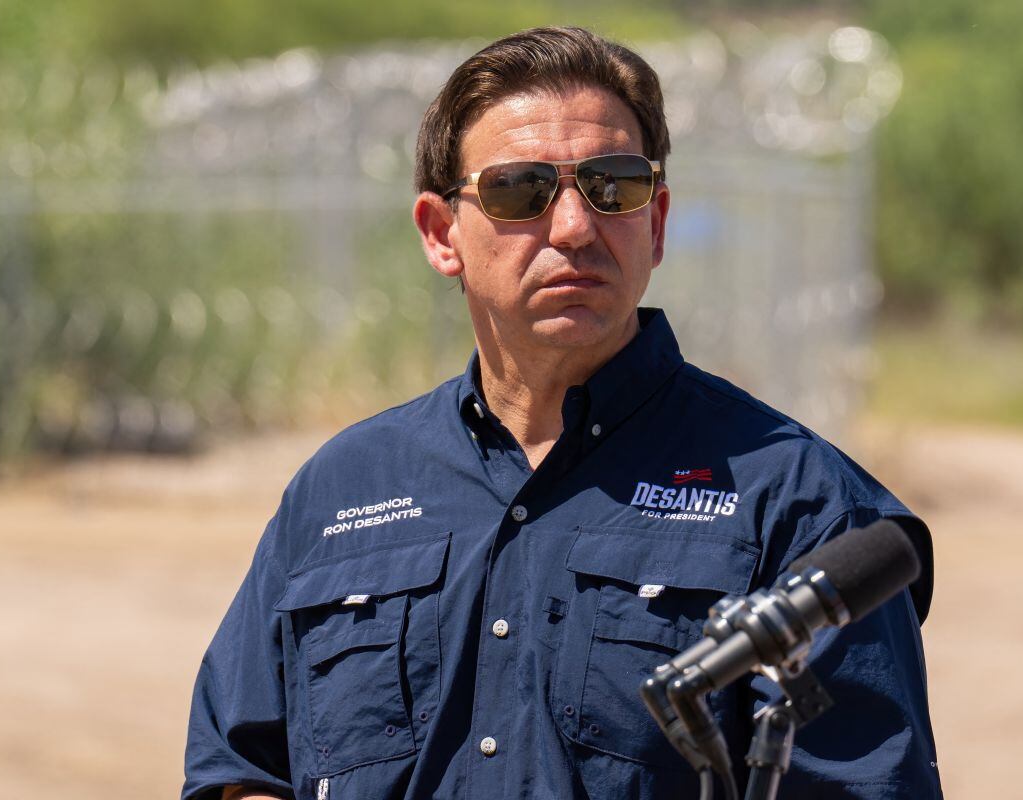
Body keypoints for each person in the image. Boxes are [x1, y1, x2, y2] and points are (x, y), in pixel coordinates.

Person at [183, 26, 942, 800]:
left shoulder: (800, 500)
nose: (576, 227)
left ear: (655, 222)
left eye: (615, 185)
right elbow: (240, 771)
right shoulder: (342, 488)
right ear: (443, 234)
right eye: (521, 190)